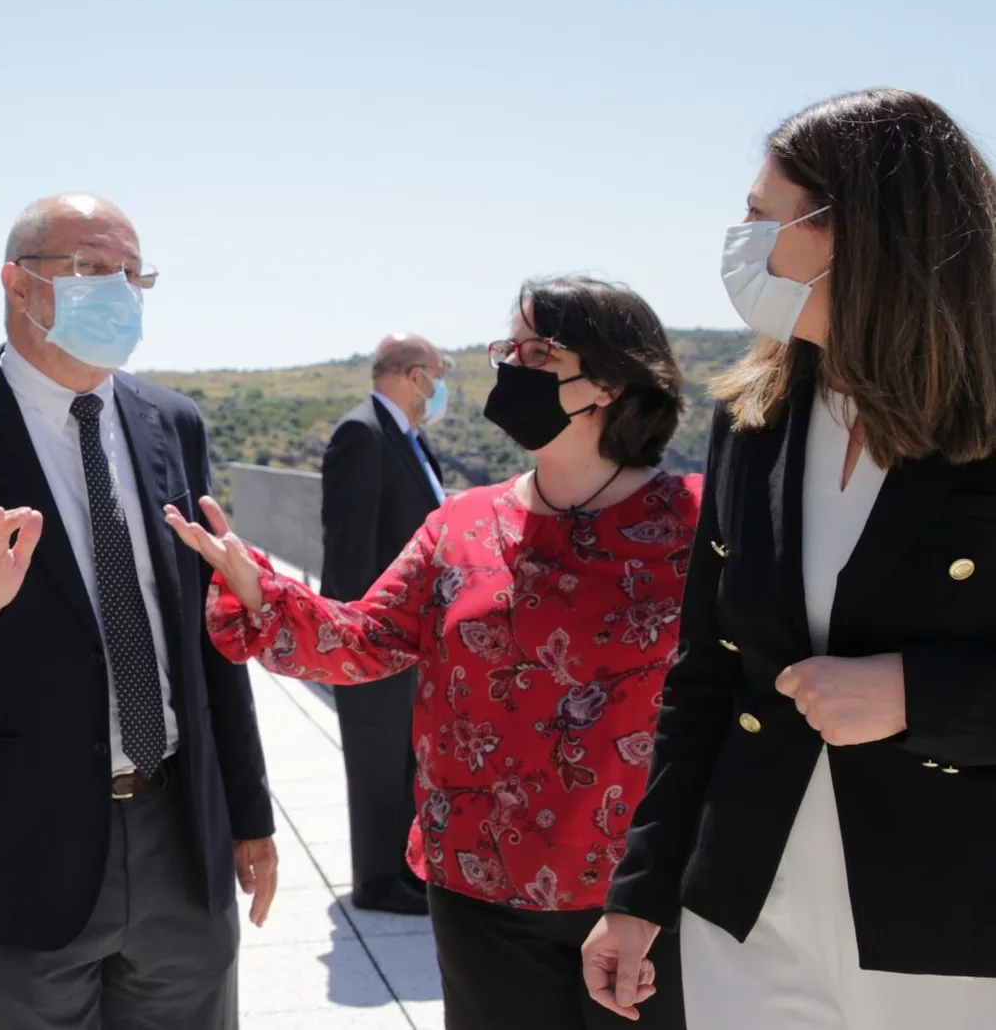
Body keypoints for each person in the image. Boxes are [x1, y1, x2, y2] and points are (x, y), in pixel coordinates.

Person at [169, 276, 697, 1030]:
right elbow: (365, 639)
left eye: (536, 350)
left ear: (609, 381)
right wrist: (260, 591)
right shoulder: (461, 524)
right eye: (505, 347)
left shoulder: (694, 525)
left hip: (639, 897)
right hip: (477, 892)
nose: (508, 366)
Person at [584, 88, 996, 1029]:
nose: (740, 240)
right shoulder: (753, 419)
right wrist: (638, 892)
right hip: (751, 915)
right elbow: (703, 676)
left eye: (761, 216)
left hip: (953, 928)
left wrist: (917, 696)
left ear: (855, 232)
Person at [0, 193, 277, 1029]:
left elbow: (211, 636)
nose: (122, 292)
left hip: (179, 840)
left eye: (135, 274)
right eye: (94, 268)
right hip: (17, 860)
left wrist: (248, 816)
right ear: (18, 283)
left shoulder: (172, 424)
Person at [320, 333, 451, 915]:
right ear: (414, 374)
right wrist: (357, 642)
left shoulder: (409, 438)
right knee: (376, 763)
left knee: (405, 763)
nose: (442, 385)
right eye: (439, 373)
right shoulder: (362, 435)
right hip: (377, 642)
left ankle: (405, 872)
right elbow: (349, 553)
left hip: (414, 641)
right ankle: (376, 881)